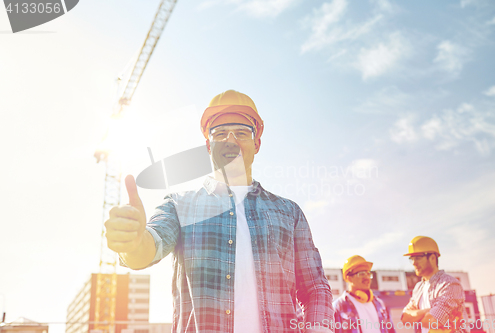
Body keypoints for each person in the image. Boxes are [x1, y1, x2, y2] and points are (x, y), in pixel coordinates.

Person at [104, 90, 334, 332]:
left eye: (242, 133)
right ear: (208, 146)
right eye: (220, 133)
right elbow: (148, 248)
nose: (230, 140)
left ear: (256, 144)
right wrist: (133, 243)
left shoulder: (290, 213)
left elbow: (316, 287)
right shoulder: (178, 206)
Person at [401, 236, 467, 333]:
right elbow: (405, 318)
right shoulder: (418, 288)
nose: (414, 263)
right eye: (412, 259)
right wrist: (428, 311)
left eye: (418, 258)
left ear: (432, 258)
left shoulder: (450, 284)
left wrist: (417, 317)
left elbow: (433, 320)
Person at [333, 255, 396, 333]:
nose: (367, 278)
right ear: (349, 278)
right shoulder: (338, 307)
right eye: (362, 274)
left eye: (368, 273)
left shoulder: (380, 304)